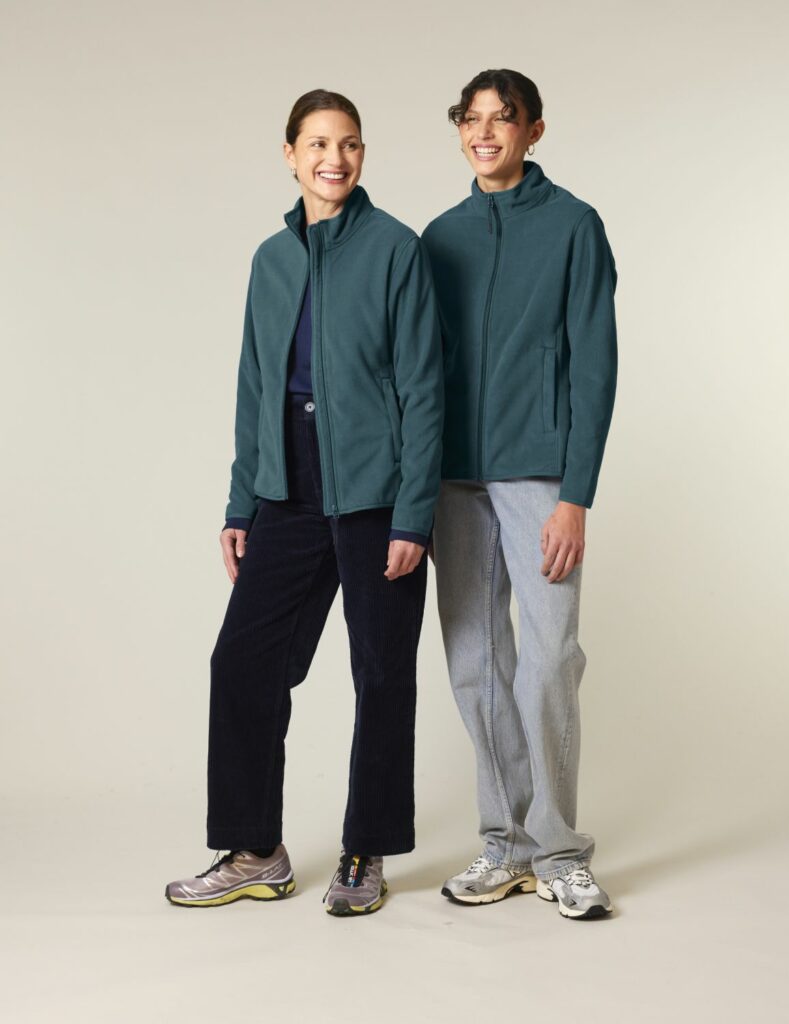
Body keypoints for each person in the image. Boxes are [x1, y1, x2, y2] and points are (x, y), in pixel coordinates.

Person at [166, 89, 443, 917]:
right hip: (287, 487)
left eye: (349, 143)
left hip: (375, 491)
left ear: (362, 156)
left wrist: (413, 513)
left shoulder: (395, 248)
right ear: (289, 154)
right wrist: (241, 504)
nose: (334, 158)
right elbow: (254, 385)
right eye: (318, 143)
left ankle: (366, 850)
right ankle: (255, 850)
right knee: (242, 663)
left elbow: (424, 388)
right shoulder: (271, 259)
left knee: (380, 672)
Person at [422, 69, 617, 919]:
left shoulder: (573, 225)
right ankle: (503, 844)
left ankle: (559, 851)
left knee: (547, 661)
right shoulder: (438, 236)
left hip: (538, 474)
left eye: (502, 119)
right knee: (475, 664)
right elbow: (417, 367)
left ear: (533, 130)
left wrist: (576, 494)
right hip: (451, 479)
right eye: (471, 119)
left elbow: (595, 364)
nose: (484, 133)